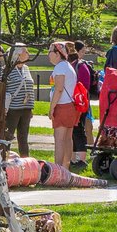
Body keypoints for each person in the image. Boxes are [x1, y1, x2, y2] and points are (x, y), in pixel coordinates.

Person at [47, 41, 80, 171]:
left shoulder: (60, 67)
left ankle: (58, 169)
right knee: (67, 138)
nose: (48, 54)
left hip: (62, 106)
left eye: (50, 51)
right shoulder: (68, 66)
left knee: (59, 139)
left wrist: (51, 107)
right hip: (71, 106)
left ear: (57, 53)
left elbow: (59, 89)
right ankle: (66, 168)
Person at [1, 43, 35, 157]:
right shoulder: (8, 69)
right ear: (18, 54)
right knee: (8, 135)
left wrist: (31, 106)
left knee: (23, 136)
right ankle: (4, 160)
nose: (28, 53)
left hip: (26, 108)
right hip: (13, 108)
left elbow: (29, 86)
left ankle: (25, 161)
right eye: (25, 51)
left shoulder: (26, 68)